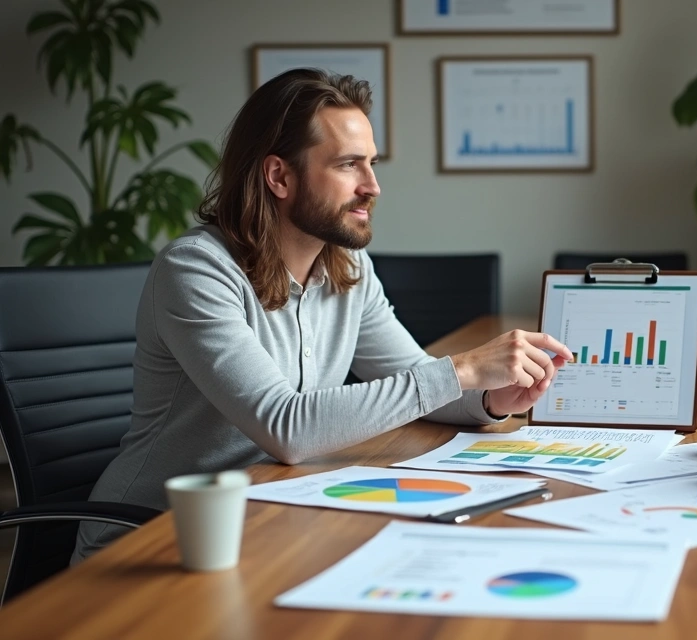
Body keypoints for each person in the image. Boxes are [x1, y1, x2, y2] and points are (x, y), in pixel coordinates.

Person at [73, 69, 573, 562]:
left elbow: (417, 385)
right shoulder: (195, 270)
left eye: (373, 164)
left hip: (267, 517)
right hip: (155, 540)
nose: (373, 186)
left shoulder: (347, 267)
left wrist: (488, 398)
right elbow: (286, 429)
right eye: (348, 165)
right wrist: (463, 369)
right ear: (279, 176)